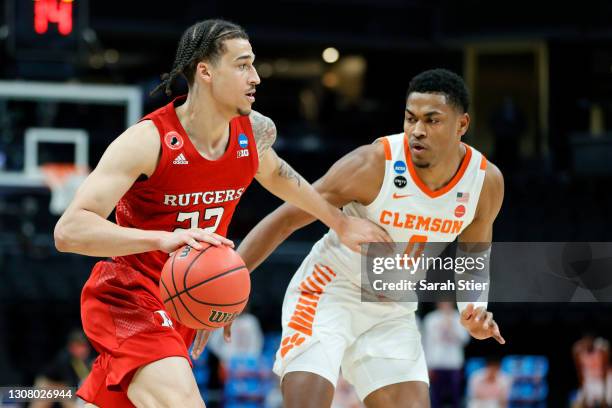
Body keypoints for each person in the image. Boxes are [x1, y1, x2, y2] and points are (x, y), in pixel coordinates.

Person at [53, 19, 389, 408]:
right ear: (206, 72)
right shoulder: (148, 141)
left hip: (179, 305)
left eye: (254, 65)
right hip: (129, 297)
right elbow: (69, 230)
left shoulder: (251, 134)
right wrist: (161, 239)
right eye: (243, 65)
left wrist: (340, 221)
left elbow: (280, 176)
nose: (256, 77)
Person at [236, 68, 506, 407]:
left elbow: (474, 256)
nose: (417, 131)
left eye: (432, 120)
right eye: (411, 119)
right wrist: (231, 283)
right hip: (329, 290)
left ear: (461, 125)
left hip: (391, 308)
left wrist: (473, 309)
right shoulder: (373, 164)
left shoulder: (485, 183)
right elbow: (285, 219)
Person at [423, 302, 470, 408]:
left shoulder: (459, 317)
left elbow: (465, 340)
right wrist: (427, 365)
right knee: (435, 398)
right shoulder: (430, 318)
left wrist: (451, 327)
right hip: (436, 364)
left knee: (455, 397)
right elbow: (427, 343)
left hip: (454, 364)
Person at [30, 330, 92, 408]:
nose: (83, 349)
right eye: (79, 346)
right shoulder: (64, 359)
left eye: (84, 346)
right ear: (71, 347)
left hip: (62, 386)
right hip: (47, 383)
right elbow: (71, 382)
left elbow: (84, 378)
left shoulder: (82, 361)